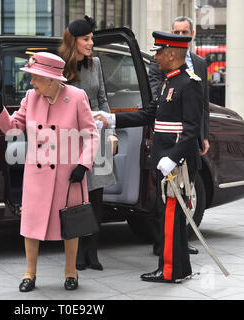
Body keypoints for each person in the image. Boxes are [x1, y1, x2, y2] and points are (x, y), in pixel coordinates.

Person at [95, 31, 203, 283]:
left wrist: (173, 158)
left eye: (159, 53)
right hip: (166, 161)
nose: (155, 58)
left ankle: (169, 271)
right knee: (169, 216)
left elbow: (191, 129)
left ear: (172, 54)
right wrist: (112, 119)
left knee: (169, 217)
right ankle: (180, 269)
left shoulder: (189, 84)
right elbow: (149, 114)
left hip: (177, 165)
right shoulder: (169, 82)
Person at [0, 52, 99, 291]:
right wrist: (0, 110)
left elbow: (91, 135)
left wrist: (83, 164)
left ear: (50, 79)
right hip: (37, 175)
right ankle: (29, 274)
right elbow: (14, 129)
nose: (31, 83)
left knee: (71, 224)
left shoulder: (77, 97)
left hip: (69, 174)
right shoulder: (31, 97)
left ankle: (71, 273)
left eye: (35, 78)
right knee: (31, 224)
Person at [59, 16, 117, 271]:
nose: (91, 43)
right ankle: (78, 253)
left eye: (92, 38)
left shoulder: (96, 63)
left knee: (96, 197)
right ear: (74, 41)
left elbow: (103, 98)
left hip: (99, 135)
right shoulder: (62, 68)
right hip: (74, 138)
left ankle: (93, 252)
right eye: (86, 39)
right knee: (76, 196)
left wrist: (109, 125)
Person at [149, 16, 209, 256]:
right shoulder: (163, 68)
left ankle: (177, 248)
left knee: (184, 195)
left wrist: (202, 135)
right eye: (176, 32)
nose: (180, 36)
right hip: (170, 142)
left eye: (184, 32)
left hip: (185, 143)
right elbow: (157, 103)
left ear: (191, 35)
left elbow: (201, 106)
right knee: (166, 200)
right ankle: (165, 246)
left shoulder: (198, 68)